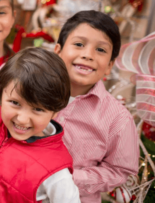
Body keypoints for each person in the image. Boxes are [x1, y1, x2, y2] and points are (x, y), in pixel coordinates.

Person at [0, 47, 80, 203]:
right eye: (15, 103)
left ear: (55, 112)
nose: (22, 119)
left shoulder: (56, 174)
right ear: (1, 95)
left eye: (38, 109)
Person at [54, 10, 139, 203]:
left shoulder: (118, 118)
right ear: (58, 51)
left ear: (109, 65)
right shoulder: (31, 92)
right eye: (79, 44)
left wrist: (68, 179)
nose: (87, 55)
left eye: (100, 50)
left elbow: (120, 170)